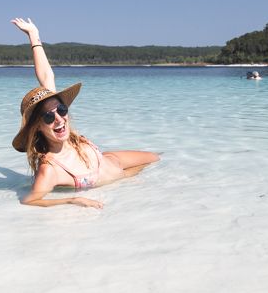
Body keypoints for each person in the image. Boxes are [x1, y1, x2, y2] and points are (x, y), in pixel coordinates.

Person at [11, 18, 160, 208]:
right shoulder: (50, 169)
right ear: (38, 127)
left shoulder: (68, 136)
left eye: (62, 110)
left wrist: (34, 36)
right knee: (152, 168)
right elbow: (29, 200)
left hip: (111, 160)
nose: (58, 119)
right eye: (48, 117)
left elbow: (47, 76)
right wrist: (72, 199)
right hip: (120, 176)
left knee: (158, 158)